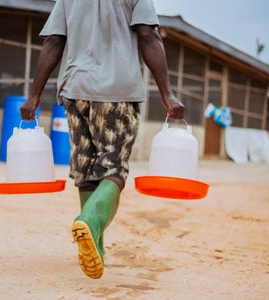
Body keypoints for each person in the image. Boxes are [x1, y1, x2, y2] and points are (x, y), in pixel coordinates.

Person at [20, 0, 185, 279]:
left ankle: (96, 246)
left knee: (86, 172)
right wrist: (167, 93)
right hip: (117, 91)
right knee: (114, 169)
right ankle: (90, 221)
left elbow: (53, 42)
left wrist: (34, 95)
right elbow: (148, 36)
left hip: (76, 89)